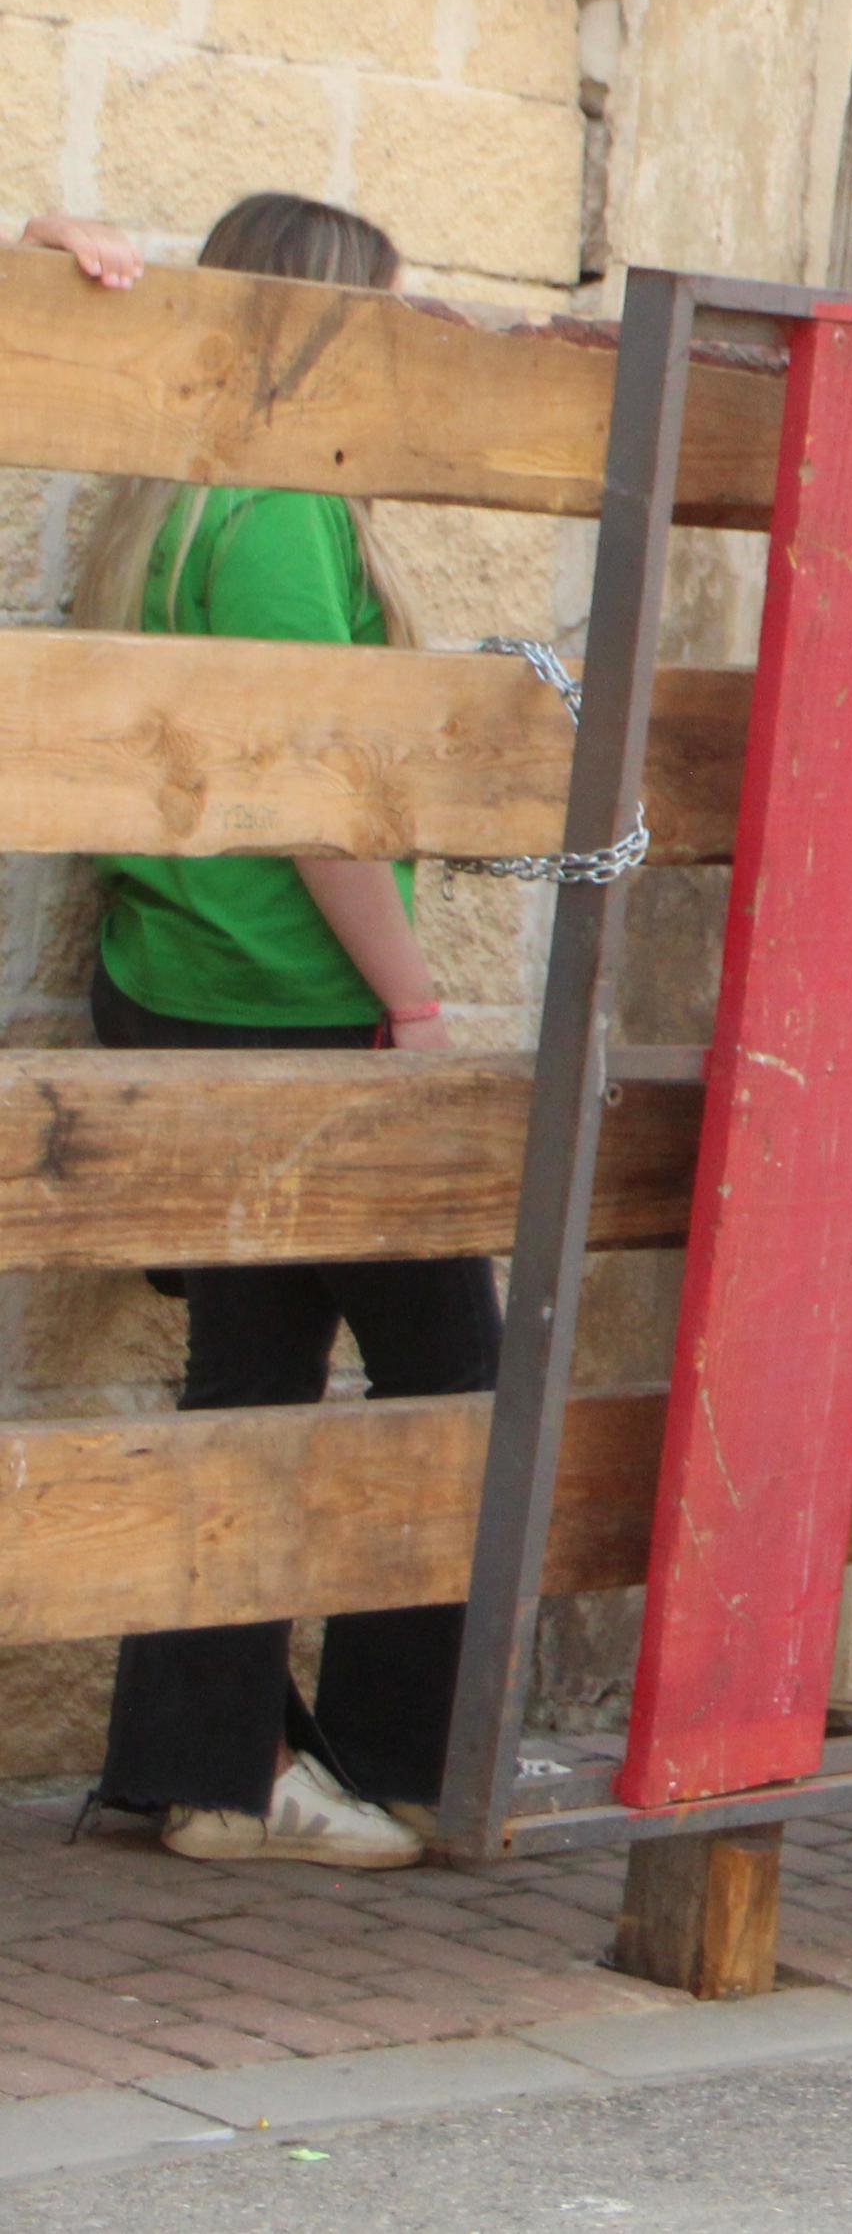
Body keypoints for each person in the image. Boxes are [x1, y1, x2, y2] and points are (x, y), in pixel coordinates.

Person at [27, 196, 477, 1871]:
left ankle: (213, 1772)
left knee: (252, 1373)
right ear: (321, 324)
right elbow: (316, 786)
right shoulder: (287, 505)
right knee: (452, 1369)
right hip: (294, 1001)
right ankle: (380, 1757)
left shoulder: (169, 498)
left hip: (174, 981)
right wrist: (412, 1001)